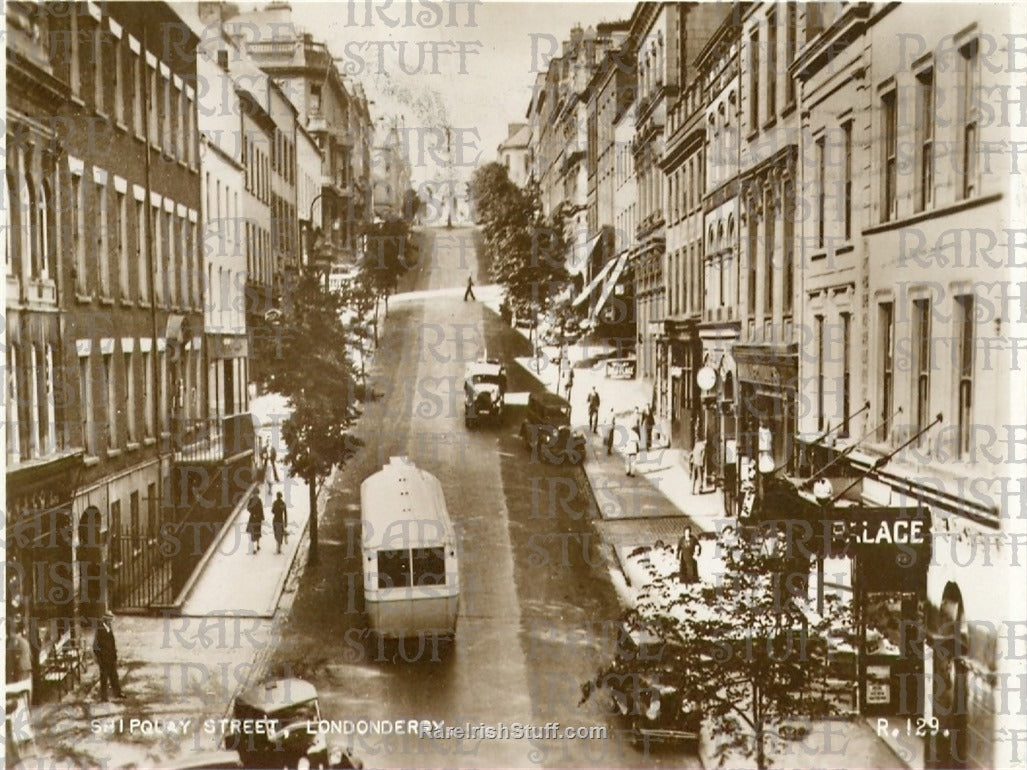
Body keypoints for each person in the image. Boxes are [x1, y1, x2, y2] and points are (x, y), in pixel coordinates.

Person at [92, 613, 123, 701]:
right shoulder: (100, 630)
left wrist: (115, 655)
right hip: (104, 659)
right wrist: (99, 658)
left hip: (111, 657)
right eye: (110, 620)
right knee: (104, 678)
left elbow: (112, 644)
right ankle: (103, 696)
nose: (111, 622)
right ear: (106, 620)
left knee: (114, 676)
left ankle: (117, 693)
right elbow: (95, 646)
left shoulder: (108, 628)